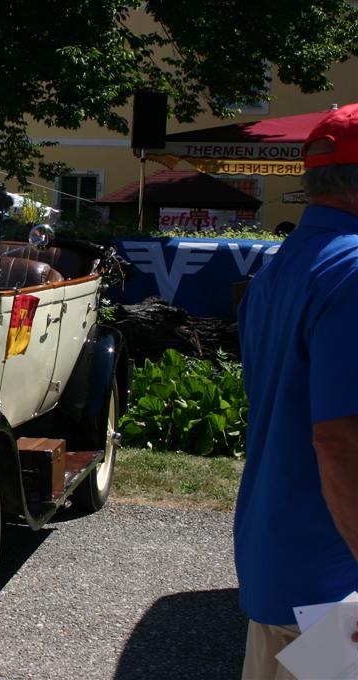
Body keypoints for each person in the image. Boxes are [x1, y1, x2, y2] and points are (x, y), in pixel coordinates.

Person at [235, 103, 358, 679]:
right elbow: (339, 439)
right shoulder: (353, 269)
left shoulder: (283, 265)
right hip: (338, 581)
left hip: (283, 559)